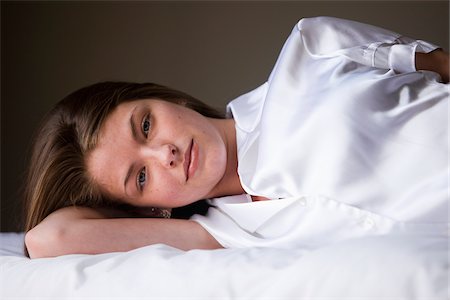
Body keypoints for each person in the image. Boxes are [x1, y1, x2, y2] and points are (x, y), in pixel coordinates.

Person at [24, 17, 449, 258]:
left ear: (164, 98)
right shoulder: (224, 233)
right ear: (149, 208)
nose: (165, 154)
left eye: (146, 126)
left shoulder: (310, 49)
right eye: (140, 177)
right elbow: (49, 239)